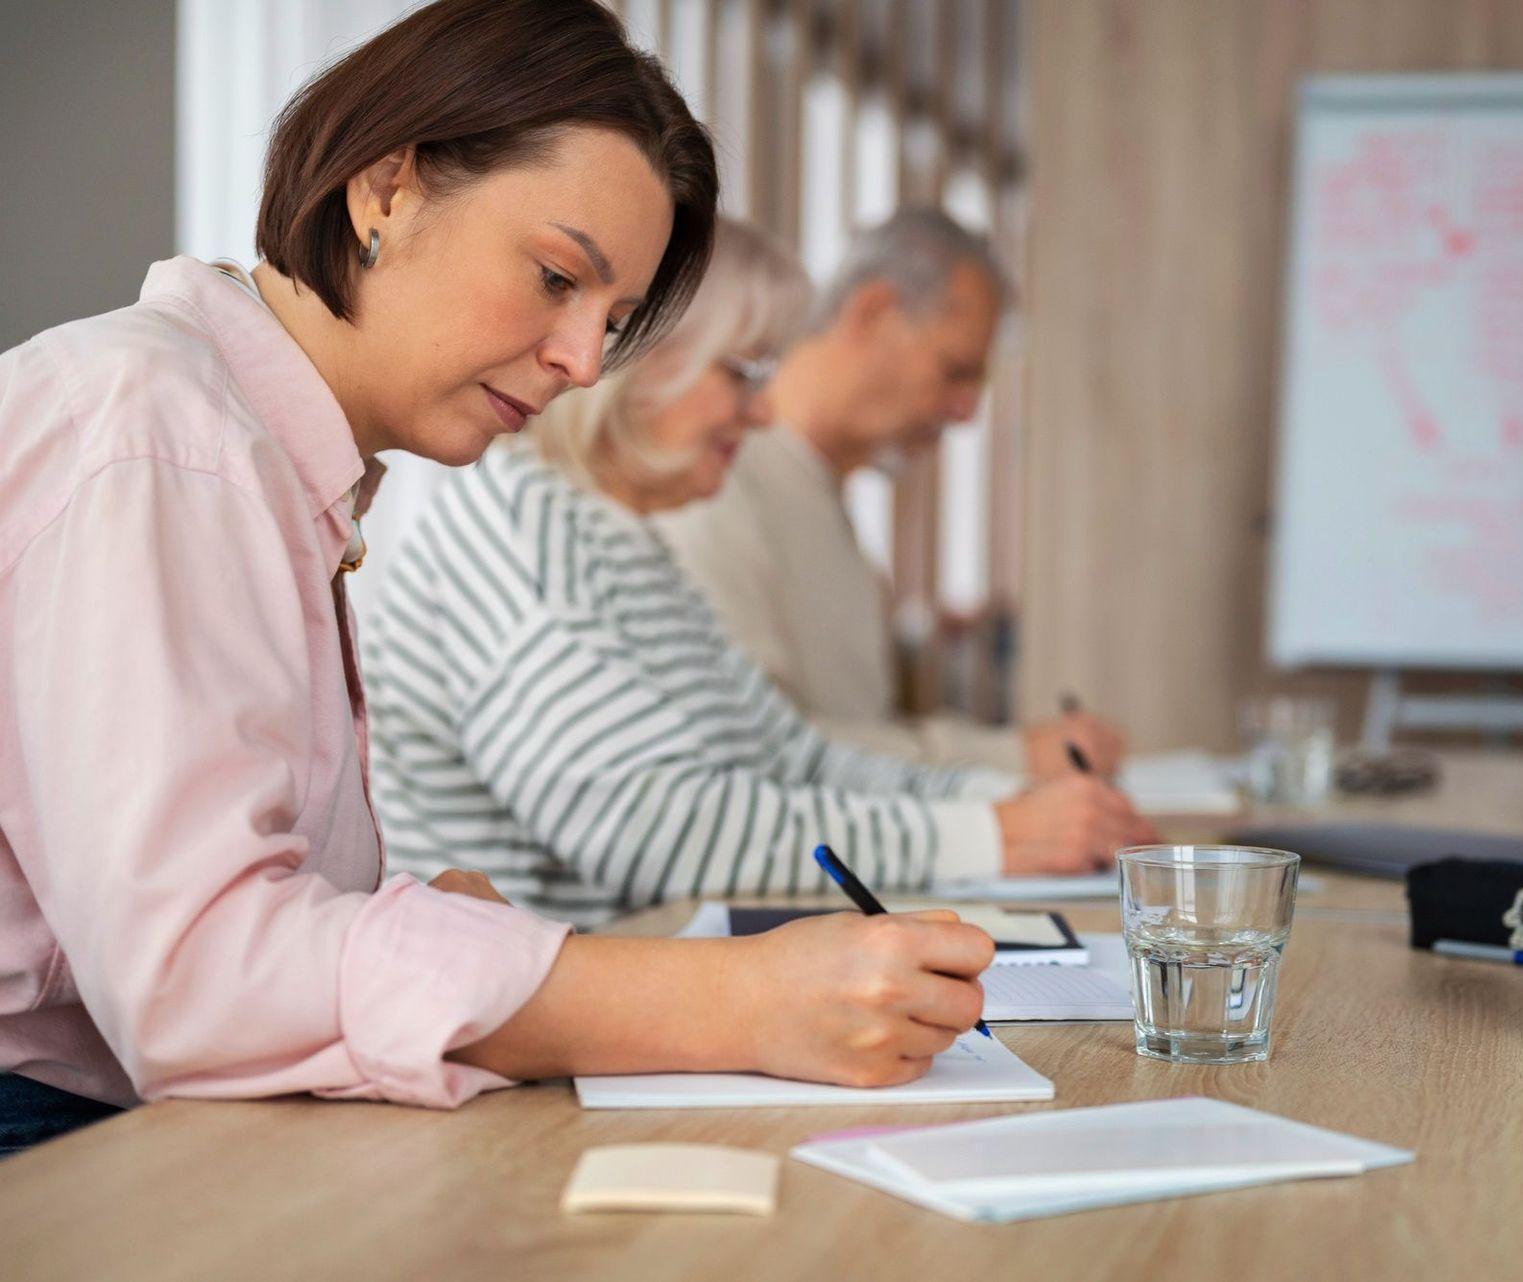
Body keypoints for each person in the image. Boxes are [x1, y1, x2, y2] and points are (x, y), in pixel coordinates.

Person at [0, 0, 994, 1157]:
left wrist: (411, 924)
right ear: (387, 189)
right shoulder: (164, 436)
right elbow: (198, 981)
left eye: (613, 320)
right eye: (555, 276)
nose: (581, 362)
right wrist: (741, 1000)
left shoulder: (266, 461)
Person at [362, 219, 1157, 930]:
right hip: (531, 1049)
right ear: (643, 360)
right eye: (742, 374)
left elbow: (798, 760)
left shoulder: (624, 544)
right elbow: (655, 832)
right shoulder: (514, 530)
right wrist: (992, 834)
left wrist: (1010, 808)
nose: (765, 411)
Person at [654, 209, 1128, 777]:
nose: (967, 411)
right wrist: (1011, 761)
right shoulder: (712, 482)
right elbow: (760, 751)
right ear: (872, 312)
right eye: (954, 371)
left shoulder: (822, 503)